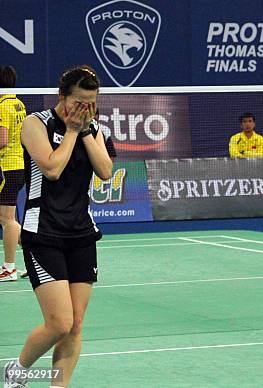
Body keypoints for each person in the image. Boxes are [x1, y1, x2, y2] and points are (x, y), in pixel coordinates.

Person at [3, 65, 112, 388]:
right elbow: (51, 168)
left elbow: (105, 171)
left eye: (91, 102)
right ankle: (18, 370)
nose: (85, 109)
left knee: (76, 325)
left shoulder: (96, 129)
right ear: (62, 97)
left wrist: (87, 129)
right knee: (59, 323)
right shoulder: (35, 123)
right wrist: (74, 132)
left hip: (81, 234)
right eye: (79, 102)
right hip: (43, 233)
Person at [0, 66, 27, 282]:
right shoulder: (18, 104)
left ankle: (9, 269)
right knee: (10, 219)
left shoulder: (2, 106)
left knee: (6, 219)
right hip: (17, 166)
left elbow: (1, 140)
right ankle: (37, 260)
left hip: (7, 169)